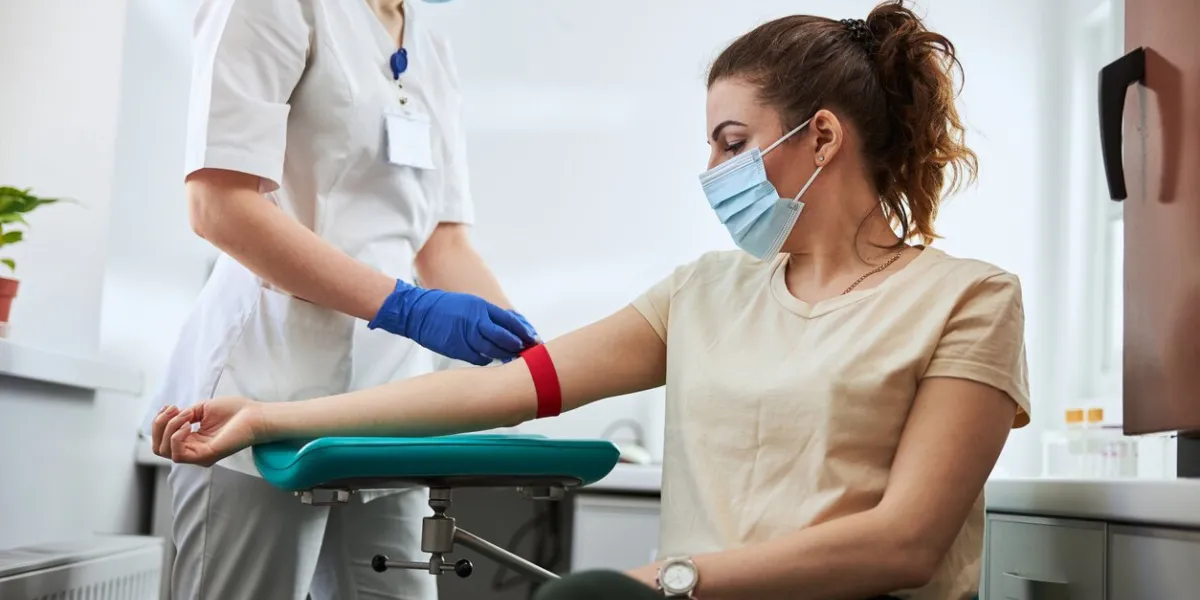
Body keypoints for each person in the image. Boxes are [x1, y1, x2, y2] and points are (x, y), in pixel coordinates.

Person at [152, 2, 1030, 598]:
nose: (714, 175)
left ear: (824, 137)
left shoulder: (968, 300)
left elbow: (907, 543)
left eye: (732, 143)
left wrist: (661, 581)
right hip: (272, 350)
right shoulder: (705, 292)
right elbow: (501, 385)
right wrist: (273, 413)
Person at [139, 0, 540, 599]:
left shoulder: (432, 45)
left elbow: (442, 239)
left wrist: (538, 363)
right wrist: (406, 308)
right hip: (265, 375)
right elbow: (218, 204)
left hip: (390, 406)